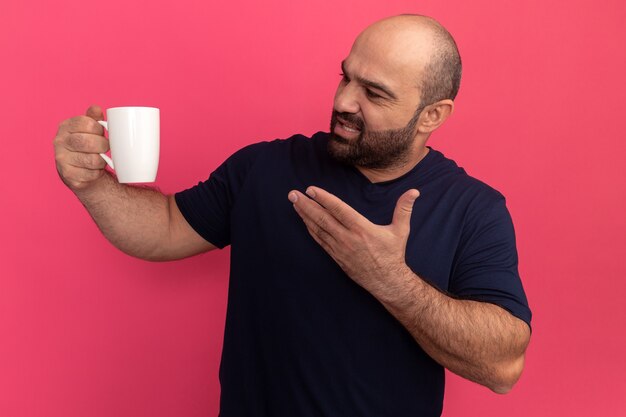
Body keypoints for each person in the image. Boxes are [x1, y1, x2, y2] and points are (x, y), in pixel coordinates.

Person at [53, 14, 531, 417]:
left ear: (432, 115)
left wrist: (389, 279)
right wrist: (93, 184)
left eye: (374, 93)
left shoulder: (474, 209)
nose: (344, 101)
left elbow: (503, 367)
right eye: (345, 76)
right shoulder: (265, 167)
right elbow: (164, 229)